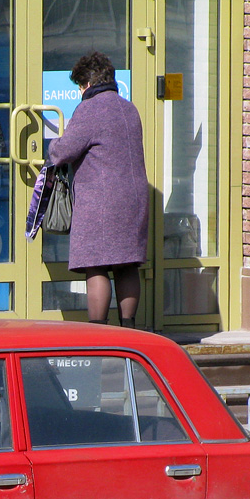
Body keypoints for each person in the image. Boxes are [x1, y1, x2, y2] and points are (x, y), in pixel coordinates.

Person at [48, 51, 148, 327]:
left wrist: (49, 146)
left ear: (87, 84)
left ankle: (99, 332)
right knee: (126, 264)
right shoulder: (129, 108)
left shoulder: (89, 109)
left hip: (102, 201)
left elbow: (64, 150)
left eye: (80, 86)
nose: (80, 91)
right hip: (134, 198)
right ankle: (129, 328)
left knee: (97, 263)